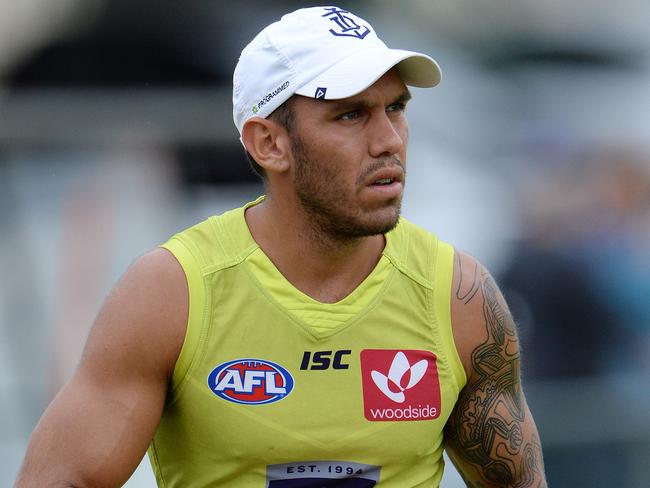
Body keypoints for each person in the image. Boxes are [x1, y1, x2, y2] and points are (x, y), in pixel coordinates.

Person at [15, 6, 547, 487]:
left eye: (396, 109)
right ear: (269, 143)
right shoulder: (172, 291)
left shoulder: (459, 295)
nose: (389, 139)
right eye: (351, 115)